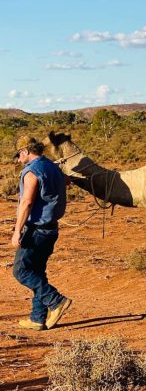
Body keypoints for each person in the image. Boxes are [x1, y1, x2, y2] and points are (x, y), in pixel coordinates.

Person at [11, 136, 71, 331]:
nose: (18, 159)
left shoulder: (31, 173)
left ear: (27, 151)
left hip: (36, 230)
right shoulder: (51, 166)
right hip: (51, 229)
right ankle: (38, 318)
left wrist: (17, 231)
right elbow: (66, 181)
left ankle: (56, 300)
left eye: (19, 155)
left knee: (21, 271)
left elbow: (27, 202)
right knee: (37, 271)